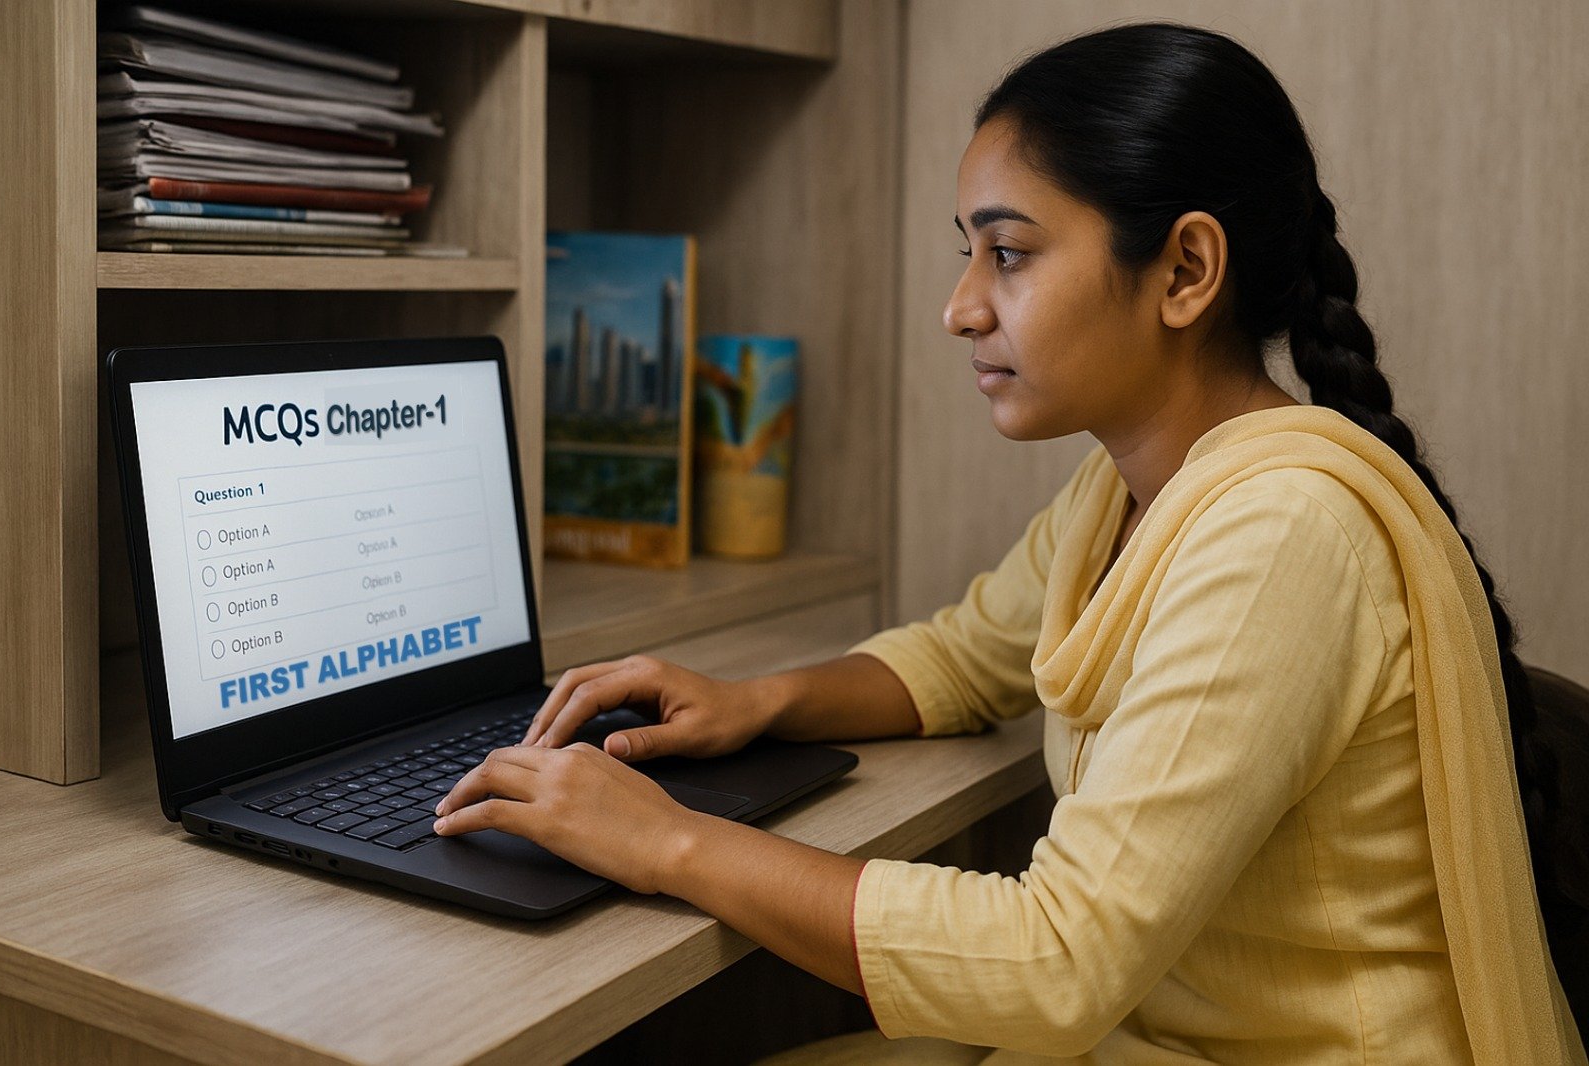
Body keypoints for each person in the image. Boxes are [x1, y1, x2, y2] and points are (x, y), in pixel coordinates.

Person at [431, 22, 1586, 1064]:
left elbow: (1055, 960)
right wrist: (753, 701)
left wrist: (666, 843)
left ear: (1185, 270)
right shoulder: (1124, 488)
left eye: (1010, 253)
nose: (960, 307)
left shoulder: (1280, 534)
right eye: (967, 253)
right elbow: (963, 656)